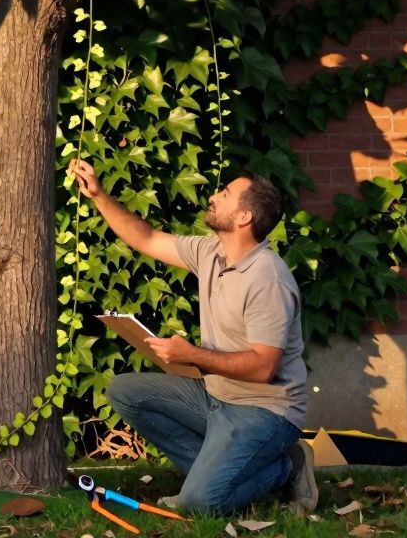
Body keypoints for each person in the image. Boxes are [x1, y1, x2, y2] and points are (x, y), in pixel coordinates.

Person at [68, 159, 317, 516]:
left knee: (200, 504)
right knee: (124, 391)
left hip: (265, 411)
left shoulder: (268, 279)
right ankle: (214, 473)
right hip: (215, 397)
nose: (213, 196)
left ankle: (287, 466)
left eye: (225, 194)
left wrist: (192, 355)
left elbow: (264, 368)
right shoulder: (210, 252)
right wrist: (99, 196)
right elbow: (147, 238)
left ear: (244, 217)